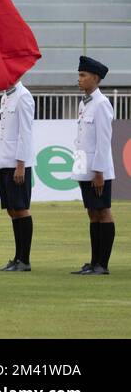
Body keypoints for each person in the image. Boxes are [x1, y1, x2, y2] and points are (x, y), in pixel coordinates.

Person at [73, 55, 115, 275]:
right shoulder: (84, 102)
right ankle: (94, 261)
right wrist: (81, 170)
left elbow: (103, 140)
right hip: (85, 167)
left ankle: (102, 264)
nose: (79, 79)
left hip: (98, 170)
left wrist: (98, 172)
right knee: (92, 212)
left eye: (83, 75)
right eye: (79, 75)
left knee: (103, 212)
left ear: (95, 78)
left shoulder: (101, 104)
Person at [0, 76, 36, 272]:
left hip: (17, 162)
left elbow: (25, 132)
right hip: (4, 160)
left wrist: (20, 164)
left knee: (20, 208)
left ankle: (24, 259)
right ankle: (17, 257)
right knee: (12, 210)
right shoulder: (6, 96)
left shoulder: (23, 96)